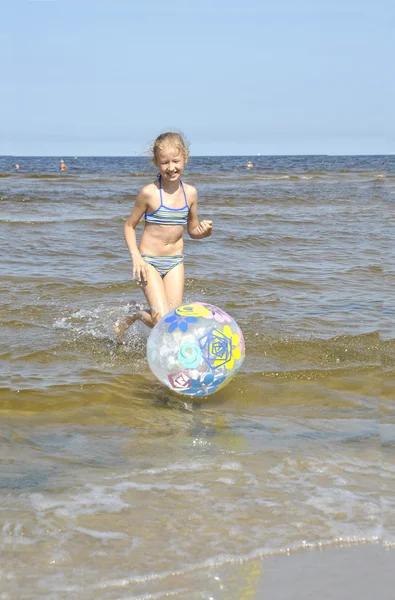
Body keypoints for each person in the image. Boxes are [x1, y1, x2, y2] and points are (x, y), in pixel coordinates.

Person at [114, 132, 213, 337]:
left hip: (175, 261)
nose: (171, 167)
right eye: (164, 162)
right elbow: (129, 226)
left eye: (176, 161)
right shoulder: (149, 193)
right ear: (156, 162)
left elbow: (192, 230)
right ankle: (136, 315)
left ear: (185, 157)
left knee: (173, 320)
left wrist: (204, 233)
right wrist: (136, 257)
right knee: (160, 319)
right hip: (148, 261)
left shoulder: (191, 193)